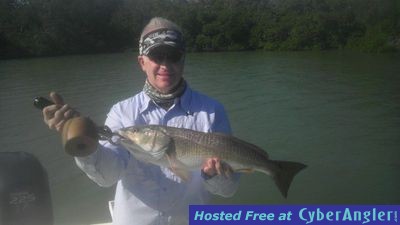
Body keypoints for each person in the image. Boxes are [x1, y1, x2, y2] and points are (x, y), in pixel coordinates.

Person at [42, 17, 239, 225]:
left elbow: (229, 190)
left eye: (173, 56)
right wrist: (82, 138)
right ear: (142, 62)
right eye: (156, 55)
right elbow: (107, 176)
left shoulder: (212, 111)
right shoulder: (122, 112)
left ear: (183, 60)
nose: (165, 65)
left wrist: (214, 176)